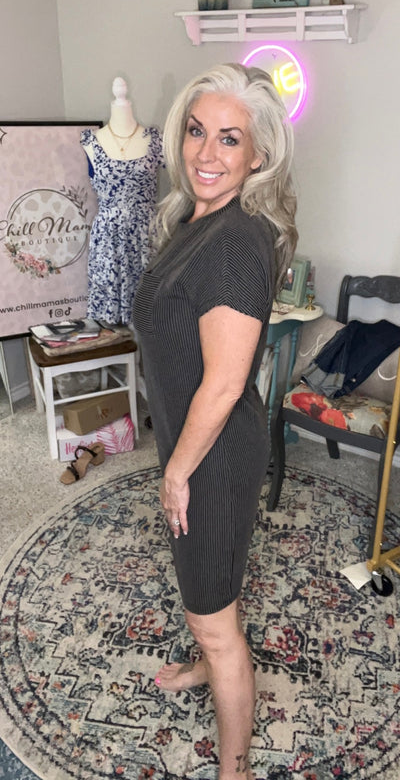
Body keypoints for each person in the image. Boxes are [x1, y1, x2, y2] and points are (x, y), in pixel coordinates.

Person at [132, 63, 297, 780]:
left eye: (230, 139)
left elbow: (226, 383)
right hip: (197, 441)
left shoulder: (233, 243)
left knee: (213, 615)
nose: (206, 153)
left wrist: (177, 471)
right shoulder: (197, 219)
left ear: (258, 155)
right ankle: (207, 662)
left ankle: (234, 768)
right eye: (197, 131)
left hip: (213, 454)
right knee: (209, 583)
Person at [81, 76, 164, 325]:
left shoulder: (154, 140)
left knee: (152, 314)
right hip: (109, 239)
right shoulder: (91, 142)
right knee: (110, 325)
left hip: (146, 235)